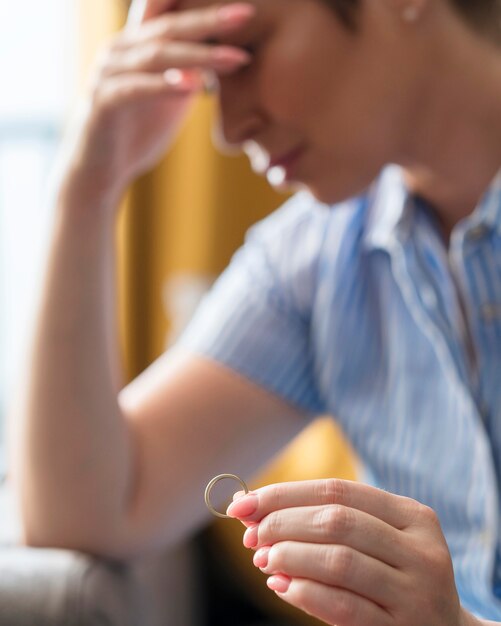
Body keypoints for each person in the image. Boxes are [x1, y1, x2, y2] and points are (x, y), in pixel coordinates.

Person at [8, 0, 501, 623]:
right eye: (214, 81)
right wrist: (86, 189)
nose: (230, 129)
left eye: (248, 53)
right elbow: (84, 512)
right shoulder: (315, 260)